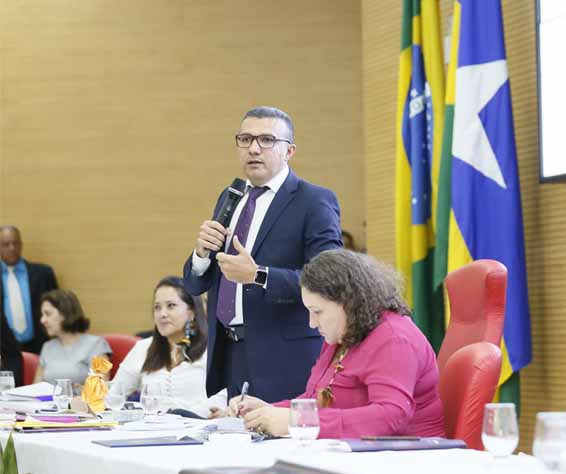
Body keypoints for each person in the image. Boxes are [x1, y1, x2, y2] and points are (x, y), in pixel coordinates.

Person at [183, 106, 342, 404]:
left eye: (267, 140)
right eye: (245, 139)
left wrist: (258, 276)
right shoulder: (231, 196)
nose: (254, 148)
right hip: (230, 354)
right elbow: (194, 286)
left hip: (286, 360)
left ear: (289, 151)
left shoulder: (314, 201)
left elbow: (329, 280)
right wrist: (201, 254)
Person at [228, 249, 444, 439]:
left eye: (318, 312)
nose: (312, 323)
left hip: (410, 457)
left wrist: (294, 420)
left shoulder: (394, 339)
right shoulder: (343, 333)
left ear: (348, 303)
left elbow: (391, 416)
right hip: (359, 453)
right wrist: (267, 412)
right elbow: (319, 400)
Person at [111, 277, 226, 417]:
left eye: (171, 305)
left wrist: (191, 415)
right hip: (152, 431)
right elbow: (114, 395)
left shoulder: (213, 348)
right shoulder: (143, 348)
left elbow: (226, 394)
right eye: (157, 307)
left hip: (200, 427)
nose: (162, 314)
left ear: (192, 313)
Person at [0, 225, 59, 354]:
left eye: (15, 243)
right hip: (4, 351)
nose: (12, 248)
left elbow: (59, 311)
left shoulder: (44, 274)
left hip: (42, 347)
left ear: (21, 245)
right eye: (6, 244)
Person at [34, 289, 111, 385]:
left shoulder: (96, 345)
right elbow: (36, 389)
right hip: (49, 400)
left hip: (80, 400)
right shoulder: (47, 347)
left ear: (65, 313)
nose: (42, 320)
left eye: (48, 314)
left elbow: (99, 388)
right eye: (42, 315)